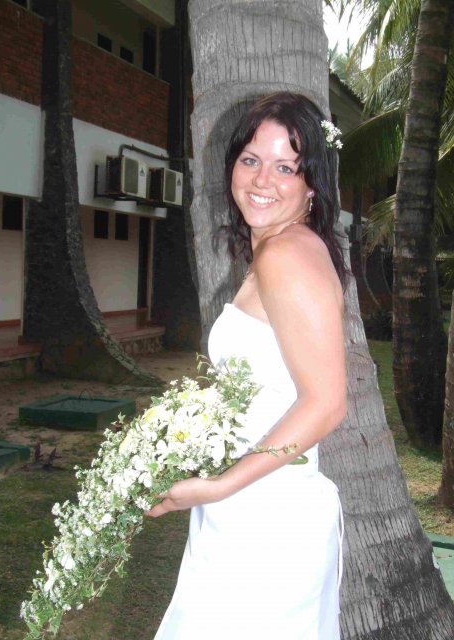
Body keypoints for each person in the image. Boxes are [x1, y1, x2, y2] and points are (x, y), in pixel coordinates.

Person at [147, 92, 348, 640]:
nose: (262, 180)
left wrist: (219, 486)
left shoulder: (286, 255)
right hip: (253, 505)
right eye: (251, 159)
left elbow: (327, 403)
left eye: (286, 167)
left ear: (312, 183)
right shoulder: (283, 248)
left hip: (267, 522)